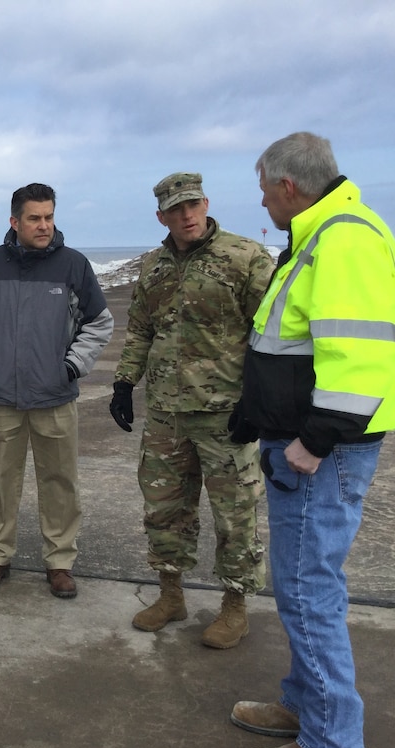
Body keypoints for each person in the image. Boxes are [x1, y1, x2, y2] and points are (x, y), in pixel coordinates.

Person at [229, 132, 395, 748]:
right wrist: (256, 415)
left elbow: (359, 358)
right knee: (298, 580)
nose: (263, 201)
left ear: (288, 187)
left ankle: (333, 745)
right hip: (303, 442)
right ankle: (305, 703)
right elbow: (291, 341)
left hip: (322, 451)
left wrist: (313, 441)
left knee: (306, 587)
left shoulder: (345, 239)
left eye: (265, 189)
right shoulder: (322, 233)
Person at [110, 172, 274, 648]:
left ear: (206, 203)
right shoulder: (154, 266)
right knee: (164, 510)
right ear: (161, 215)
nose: (187, 216)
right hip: (166, 411)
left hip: (227, 414)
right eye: (176, 209)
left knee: (235, 515)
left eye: (193, 205)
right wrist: (124, 382)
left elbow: (270, 334)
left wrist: (259, 400)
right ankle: (171, 594)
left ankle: (235, 606)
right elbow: (141, 327)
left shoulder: (245, 258)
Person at [0, 183, 113, 598]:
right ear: (14, 221)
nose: (44, 226)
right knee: (0, 480)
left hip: (55, 397)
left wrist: (71, 367)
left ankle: (60, 563)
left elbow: (99, 323)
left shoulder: (74, 266)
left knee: (60, 482)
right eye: (34, 218)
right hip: (1, 396)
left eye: (49, 217)